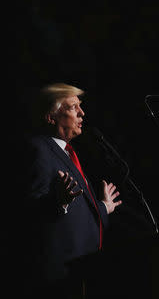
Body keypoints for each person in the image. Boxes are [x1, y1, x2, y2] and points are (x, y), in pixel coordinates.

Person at [19, 82, 122, 298]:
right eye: (73, 107)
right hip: (60, 278)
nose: (82, 113)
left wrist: (102, 207)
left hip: (84, 274)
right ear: (51, 117)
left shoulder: (68, 154)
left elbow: (78, 216)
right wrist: (59, 201)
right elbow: (28, 209)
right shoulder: (39, 149)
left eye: (80, 106)